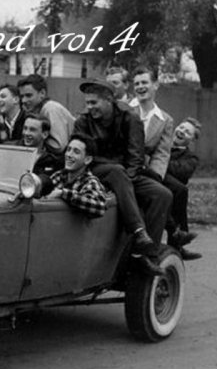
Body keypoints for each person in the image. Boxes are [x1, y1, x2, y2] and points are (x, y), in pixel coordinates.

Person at [73, 77, 172, 275]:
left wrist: (129, 178)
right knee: (116, 171)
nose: (89, 107)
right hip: (94, 170)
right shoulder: (83, 121)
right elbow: (80, 154)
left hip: (127, 173)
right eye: (87, 103)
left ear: (109, 100)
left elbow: (136, 155)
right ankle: (138, 231)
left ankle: (146, 254)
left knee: (163, 194)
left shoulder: (130, 118)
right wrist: (119, 171)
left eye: (94, 102)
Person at [40, 134, 107, 219]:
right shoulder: (59, 175)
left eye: (76, 152)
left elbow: (100, 207)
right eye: (68, 149)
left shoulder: (90, 182)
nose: (69, 155)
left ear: (87, 160)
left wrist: (62, 193)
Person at [164, 117, 202, 260]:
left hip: (171, 194)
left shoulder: (191, 158)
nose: (181, 131)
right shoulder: (161, 142)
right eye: (181, 127)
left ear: (192, 140)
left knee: (178, 191)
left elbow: (180, 172)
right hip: (157, 184)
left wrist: (159, 159)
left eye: (187, 132)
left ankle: (176, 245)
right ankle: (179, 238)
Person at [129, 65, 174, 181]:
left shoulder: (165, 120)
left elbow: (161, 153)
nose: (140, 87)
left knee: (178, 189)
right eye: (137, 84)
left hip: (146, 171)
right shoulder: (125, 110)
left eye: (144, 82)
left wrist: (155, 176)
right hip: (123, 168)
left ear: (155, 85)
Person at [17, 74, 75, 155]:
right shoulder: (36, 111)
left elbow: (58, 147)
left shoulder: (51, 108)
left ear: (42, 93)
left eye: (28, 95)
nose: (24, 100)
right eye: (22, 96)